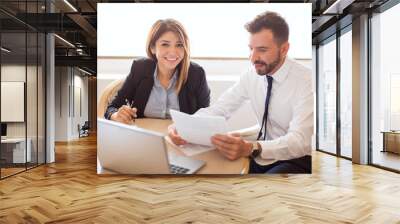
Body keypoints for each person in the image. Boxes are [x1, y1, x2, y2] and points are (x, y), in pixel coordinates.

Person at [168, 11, 313, 174]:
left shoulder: (306, 81)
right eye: (251, 49)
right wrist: (183, 126)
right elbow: (220, 109)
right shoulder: (251, 75)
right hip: (261, 153)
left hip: (297, 159)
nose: (253, 58)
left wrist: (251, 147)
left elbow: (301, 141)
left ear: (284, 49)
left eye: (262, 50)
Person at [105, 19, 210, 123]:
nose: (173, 52)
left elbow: (205, 115)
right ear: (152, 48)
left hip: (180, 138)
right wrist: (116, 115)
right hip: (144, 135)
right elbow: (112, 108)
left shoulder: (196, 74)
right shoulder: (139, 68)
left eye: (179, 45)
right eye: (165, 44)